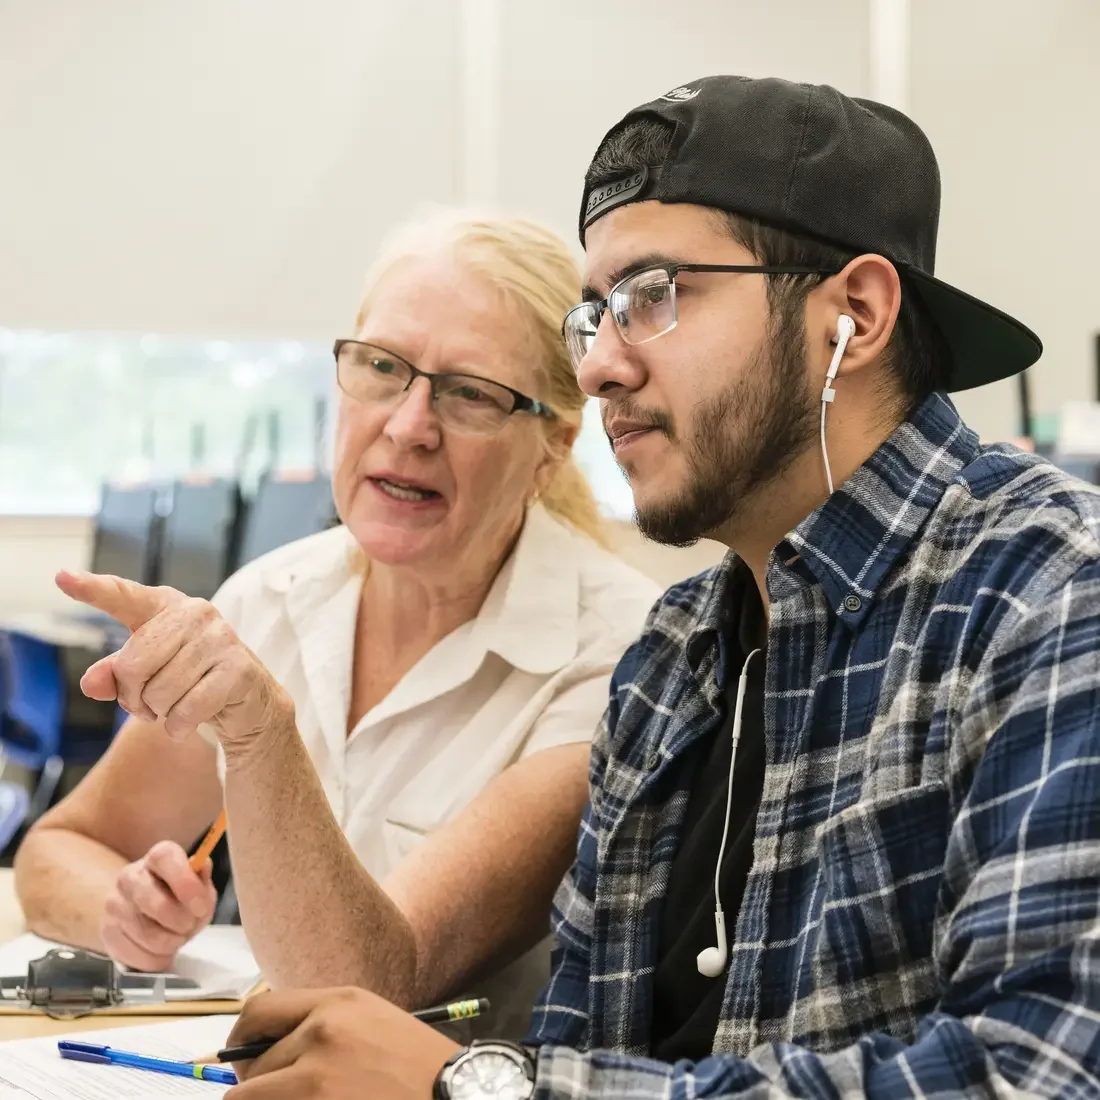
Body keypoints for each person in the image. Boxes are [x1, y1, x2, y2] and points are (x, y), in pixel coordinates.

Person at [217, 75, 1100, 1099]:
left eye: (651, 296)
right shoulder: (671, 660)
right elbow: (581, 1040)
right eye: (593, 315)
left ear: (852, 315)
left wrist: (474, 1087)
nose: (595, 368)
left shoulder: (1044, 597)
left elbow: (1037, 1073)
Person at [13, 210, 659, 1037]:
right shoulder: (273, 597)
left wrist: (258, 732)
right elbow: (57, 849)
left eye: (469, 394)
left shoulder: (619, 651)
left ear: (552, 446)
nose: (408, 425)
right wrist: (123, 911)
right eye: (383, 368)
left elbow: (367, 982)